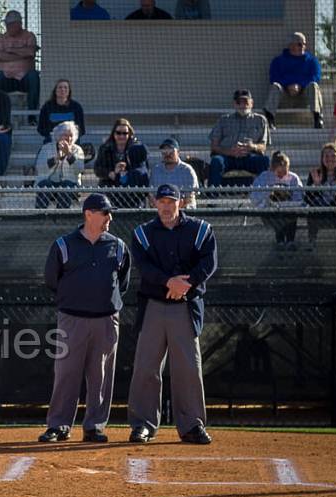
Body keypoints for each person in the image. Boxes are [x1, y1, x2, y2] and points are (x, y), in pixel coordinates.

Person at [127, 184, 217, 445]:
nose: (166, 206)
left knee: (188, 368)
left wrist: (185, 285)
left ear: (182, 202)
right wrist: (169, 282)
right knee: (146, 367)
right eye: (162, 201)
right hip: (153, 305)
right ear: (154, 203)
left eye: (171, 201)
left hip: (186, 306)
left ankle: (191, 425)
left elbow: (209, 263)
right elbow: (144, 267)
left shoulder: (200, 230)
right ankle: (142, 424)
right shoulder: (142, 233)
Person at [39, 193, 130, 444]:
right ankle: (59, 425)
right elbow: (51, 280)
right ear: (88, 214)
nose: (109, 218)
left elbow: (123, 283)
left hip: (106, 320)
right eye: (105, 213)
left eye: (110, 213)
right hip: (72, 319)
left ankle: (94, 426)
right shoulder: (63, 245)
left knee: (100, 376)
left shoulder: (118, 246)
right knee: (66, 373)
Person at [208, 89, 271, 188]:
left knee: (264, 161)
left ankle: (263, 196)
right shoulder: (224, 120)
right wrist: (230, 152)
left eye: (245, 101)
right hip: (228, 158)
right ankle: (212, 198)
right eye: (238, 102)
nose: (242, 105)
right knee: (216, 161)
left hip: (250, 157)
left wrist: (252, 146)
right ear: (234, 104)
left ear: (251, 103)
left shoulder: (260, 120)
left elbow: (263, 146)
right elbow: (214, 146)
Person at [264, 32, 323, 130]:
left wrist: (300, 85)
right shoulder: (278, 61)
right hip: (285, 96)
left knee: (313, 85)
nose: (303, 47)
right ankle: (269, 118)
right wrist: (288, 85)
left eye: (304, 44)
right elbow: (273, 77)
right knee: (275, 86)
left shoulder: (312, 61)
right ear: (291, 45)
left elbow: (316, 77)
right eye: (300, 44)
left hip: (305, 97)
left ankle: (318, 118)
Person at [0, 10, 40, 124]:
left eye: (11, 24)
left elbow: (30, 53)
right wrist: (20, 55)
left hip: (24, 79)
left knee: (34, 76)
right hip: (6, 78)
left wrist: (10, 51)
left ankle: (32, 117)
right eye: (7, 24)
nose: (8, 27)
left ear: (19, 24)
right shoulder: (1, 38)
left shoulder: (29, 36)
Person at [251, 151, 304, 249]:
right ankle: (280, 241)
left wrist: (287, 200)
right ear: (272, 169)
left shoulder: (293, 178)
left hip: (289, 210)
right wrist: (269, 191)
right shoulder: (264, 177)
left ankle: (290, 241)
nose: (282, 176)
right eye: (279, 173)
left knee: (290, 215)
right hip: (270, 211)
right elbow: (255, 198)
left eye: (285, 172)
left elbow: (299, 198)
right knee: (277, 215)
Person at [93, 118, 149, 208]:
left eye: (125, 133)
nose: (121, 136)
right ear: (113, 133)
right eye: (118, 133)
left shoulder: (136, 148)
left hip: (131, 188)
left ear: (129, 134)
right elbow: (97, 169)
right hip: (109, 187)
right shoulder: (105, 148)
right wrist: (111, 173)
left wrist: (127, 172)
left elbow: (143, 167)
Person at [35, 121, 85, 209]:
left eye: (71, 136)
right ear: (58, 136)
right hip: (49, 181)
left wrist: (69, 154)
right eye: (65, 135)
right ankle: (40, 215)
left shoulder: (77, 149)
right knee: (45, 185)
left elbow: (80, 169)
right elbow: (40, 167)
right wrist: (56, 158)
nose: (68, 138)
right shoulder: (46, 148)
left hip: (70, 184)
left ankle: (62, 216)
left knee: (66, 185)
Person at [149, 138, 200, 208]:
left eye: (171, 151)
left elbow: (190, 196)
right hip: (161, 210)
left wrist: (175, 208)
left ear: (178, 152)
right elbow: (151, 196)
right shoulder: (156, 170)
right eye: (164, 151)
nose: (167, 154)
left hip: (184, 210)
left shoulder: (187, 170)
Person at [37, 79, 85, 143]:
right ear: (55, 91)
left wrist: (69, 137)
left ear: (69, 91)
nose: (62, 90)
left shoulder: (76, 107)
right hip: (51, 142)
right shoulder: (47, 107)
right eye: (60, 87)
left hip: (72, 142)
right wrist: (56, 135)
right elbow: (41, 128)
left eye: (65, 87)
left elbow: (81, 129)